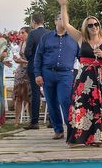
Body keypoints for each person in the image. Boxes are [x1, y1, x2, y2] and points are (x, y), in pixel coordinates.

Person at [57, 0, 102, 146]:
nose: (94, 27)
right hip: (84, 78)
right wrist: (63, 6)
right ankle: (77, 138)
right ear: (86, 27)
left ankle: (100, 137)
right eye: (90, 25)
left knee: (100, 108)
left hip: (101, 78)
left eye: (96, 24)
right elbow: (67, 25)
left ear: (99, 26)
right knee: (80, 106)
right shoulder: (82, 39)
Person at [34, 12, 79, 140]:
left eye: (66, 19)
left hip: (65, 74)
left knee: (65, 101)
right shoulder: (46, 37)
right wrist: (38, 74)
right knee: (52, 102)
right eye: (61, 19)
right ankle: (58, 130)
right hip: (47, 73)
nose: (63, 21)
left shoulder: (74, 39)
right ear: (55, 21)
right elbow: (38, 56)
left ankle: (71, 131)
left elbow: (82, 57)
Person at [23, 13, 49, 129]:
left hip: (34, 67)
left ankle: (34, 122)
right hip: (48, 67)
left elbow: (27, 52)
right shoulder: (49, 33)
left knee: (35, 94)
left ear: (33, 21)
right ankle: (53, 121)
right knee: (50, 93)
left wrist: (31, 59)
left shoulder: (32, 34)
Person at [12, 27, 31, 125]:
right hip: (20, 72)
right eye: (20, 33)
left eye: (23, 33)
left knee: (29, 97)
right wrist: (18, 60)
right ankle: (16, 120)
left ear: (28, 34)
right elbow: (16, 59)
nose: (21, 35)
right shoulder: (19, 44)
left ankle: (32, 120)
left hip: (29, 72)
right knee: (18, 96)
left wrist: (25, 61)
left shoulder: (32, 44)